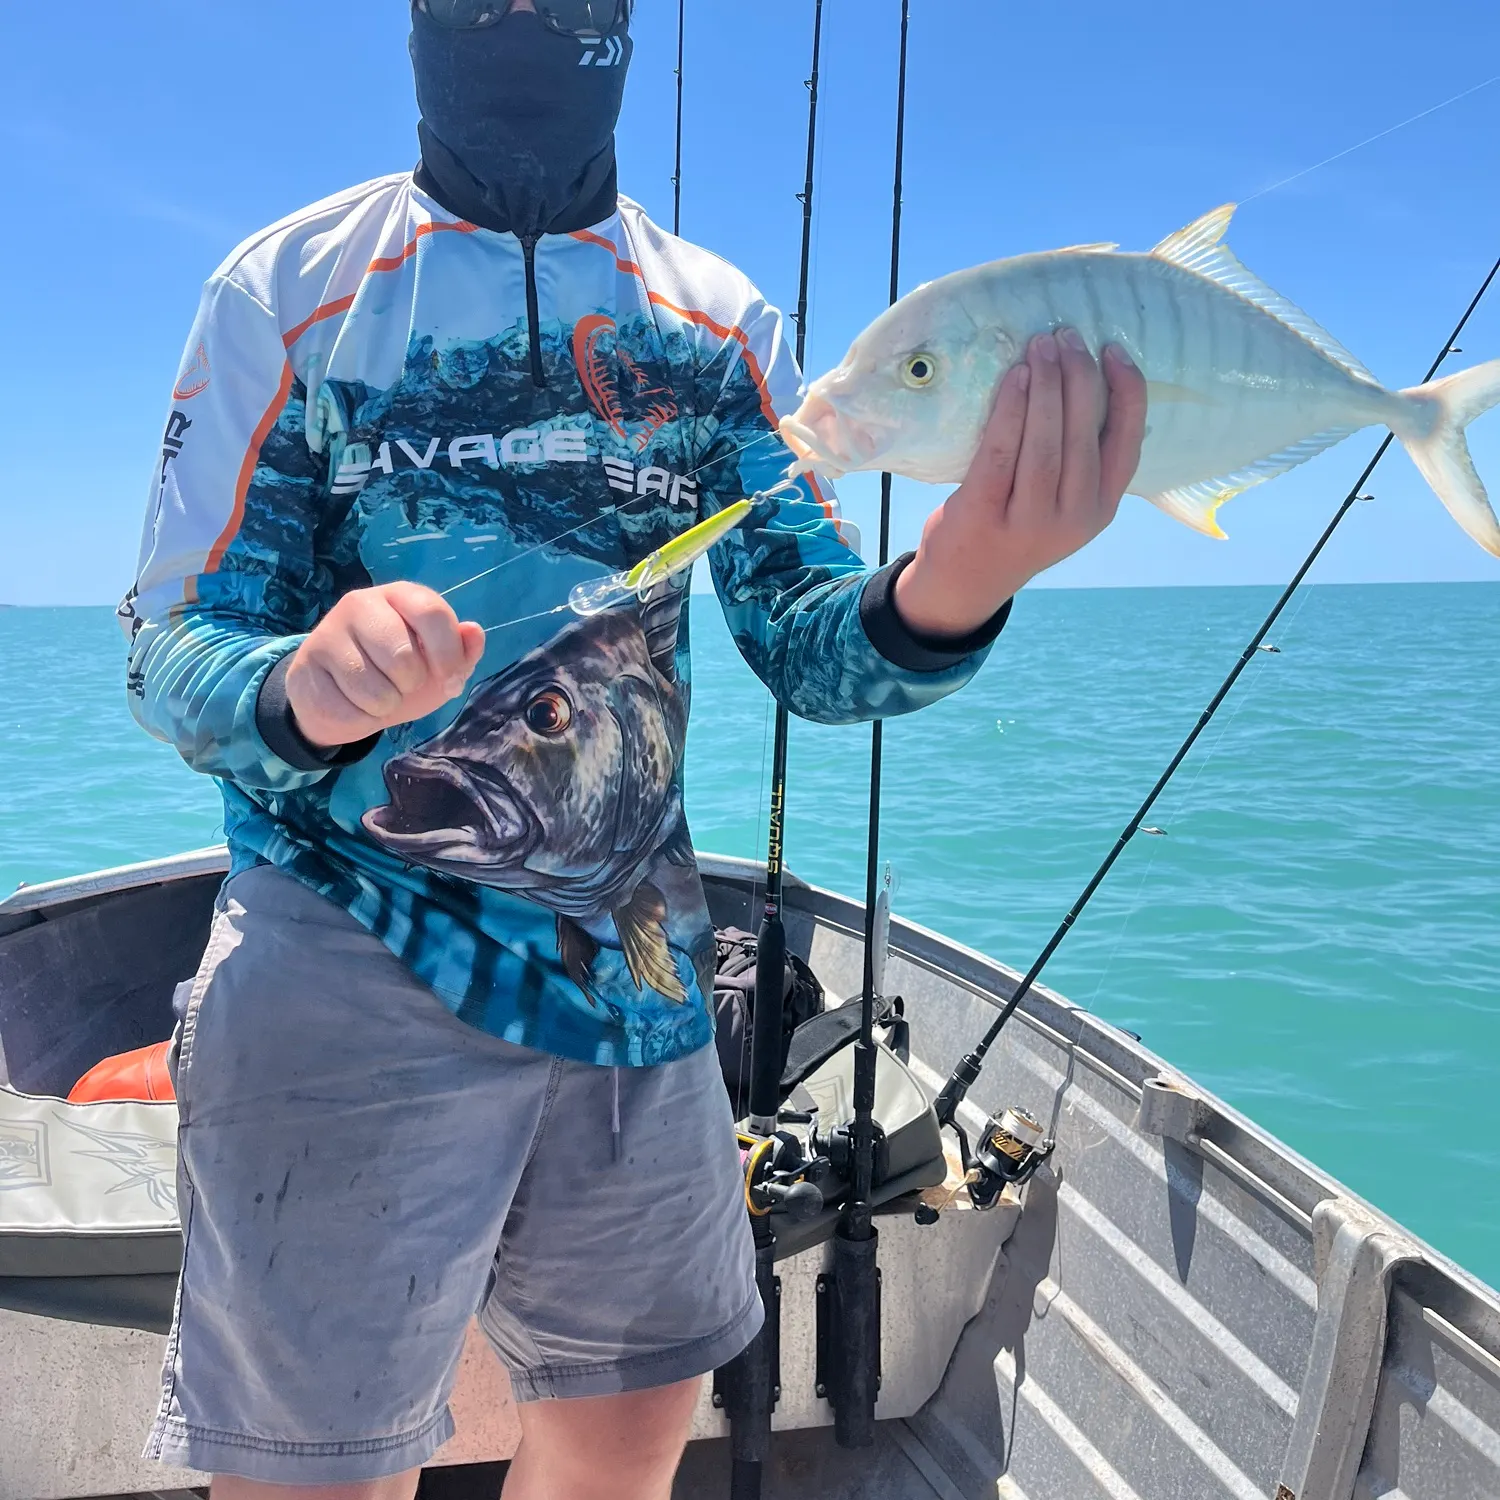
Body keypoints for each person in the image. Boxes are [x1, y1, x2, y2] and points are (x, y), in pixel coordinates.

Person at [120, 2, 1147, 1497]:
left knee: (629, 1428)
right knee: (310, 1468)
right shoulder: (286, 293)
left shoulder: (718, 322)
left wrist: (959, 583)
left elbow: (804, 634)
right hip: (346, 945)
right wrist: (307, 686)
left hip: (636, 967)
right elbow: (169, 648)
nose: (527, 18)